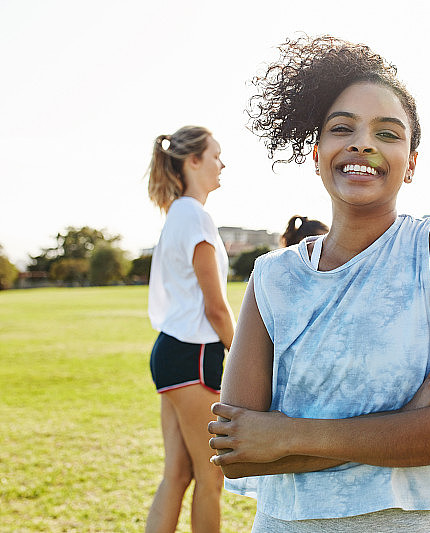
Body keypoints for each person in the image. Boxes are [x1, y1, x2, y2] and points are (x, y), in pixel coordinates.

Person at [207, 35, 430, 532]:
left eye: (388, 133)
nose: (362, 143)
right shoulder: (272, 275)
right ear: (317, 152)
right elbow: (238, 453)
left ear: (410, 163)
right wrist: (407, 420)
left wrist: (286, 435)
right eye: (344, 128)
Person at [145, 125, 235, 533]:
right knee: (209, 476)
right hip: (195, 356)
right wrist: (247, 355)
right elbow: (216, 308)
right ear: (193, 161)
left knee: (177, 475)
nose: (222, 163)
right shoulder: (196, 217)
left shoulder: (177, 214)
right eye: (216, 155)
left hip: (172, 353)